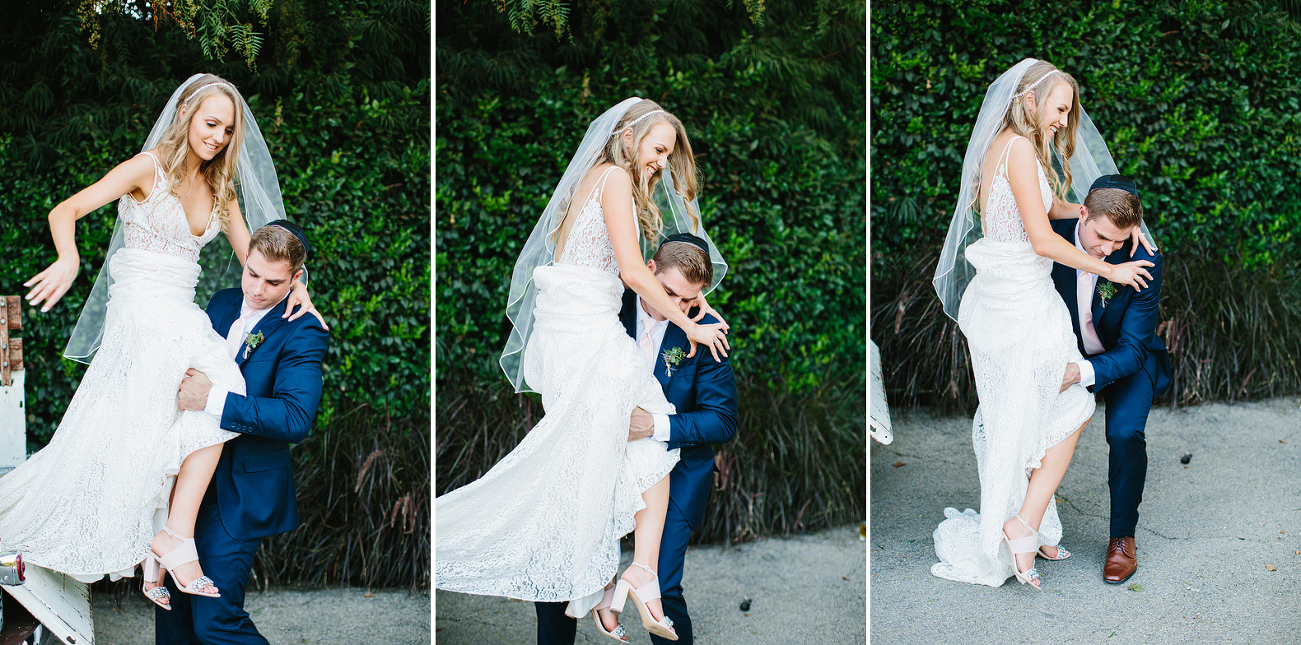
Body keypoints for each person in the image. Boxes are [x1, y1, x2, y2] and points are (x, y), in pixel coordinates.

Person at [0, 74, 319, 606]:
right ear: (188, 116)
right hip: (140, 306)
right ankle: (172, 538)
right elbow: (66, 210)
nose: (216, 136)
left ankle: (164, 541)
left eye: (226, 129)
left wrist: (301, 289)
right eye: (210, 123)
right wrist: (69, 256)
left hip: (178, 309)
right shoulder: (147, 168)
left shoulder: (221, 190)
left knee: (204, 406)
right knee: (215, 390)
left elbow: (257, 257)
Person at [435, 98, 729, 642]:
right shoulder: (615, 177)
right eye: (658, 150)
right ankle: (633, 575)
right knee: (651, 435)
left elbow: (631, 271)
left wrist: (693, 304)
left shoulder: (591, 179)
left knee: (595, 463)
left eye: (667, 154)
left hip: (568, 334)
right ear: (628, 134)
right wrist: (690, 327)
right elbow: (635, 273)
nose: (662, 163)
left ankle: (608, 581)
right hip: (587, 332)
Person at [929, 58, 1155, 589]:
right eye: (1059, 108)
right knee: (1065, 407)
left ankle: (1032, 524)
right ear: (1030, 99)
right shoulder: (1024, 149)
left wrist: (1087, 214)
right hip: (1021, 300)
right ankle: (1022, 526)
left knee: (1023, 413)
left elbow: (1047, 207)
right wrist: (1110, 268)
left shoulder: (1001, 146)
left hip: (1000, 294)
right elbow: (1040, 240)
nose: (1063, 119)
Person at [534, 234, 738, 645]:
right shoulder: (606, 307)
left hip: (675, 471)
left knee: (661, 583)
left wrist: (653, 426)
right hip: (598, 460)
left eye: (689, 300)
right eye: (668, 293)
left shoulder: (706, 331)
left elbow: (723, 421)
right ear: (648, 270)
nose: (677, 308)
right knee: (557, 569)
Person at [157, 221, 329, 643]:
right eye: (251, 273)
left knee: (216, 621)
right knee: (173, 617)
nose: (256, 289)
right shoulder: (221, 303)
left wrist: (211, 397)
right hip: (187, 481)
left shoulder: (303, 329)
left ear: (296, 279)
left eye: (273, 282)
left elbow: (294, 418)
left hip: (238, 492)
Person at [1049, 176, 1170, 584]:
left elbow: (1135, 350)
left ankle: (1123, 538)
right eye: (1101, 237)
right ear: (1082, 213)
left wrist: (1079, 374)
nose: (1108, 250)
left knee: (1124, 433)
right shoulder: (1049, 239)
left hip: (1126, 361)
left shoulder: (1144, 260)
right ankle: (1030, 520)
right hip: (1063, 355)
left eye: (1118, 242)